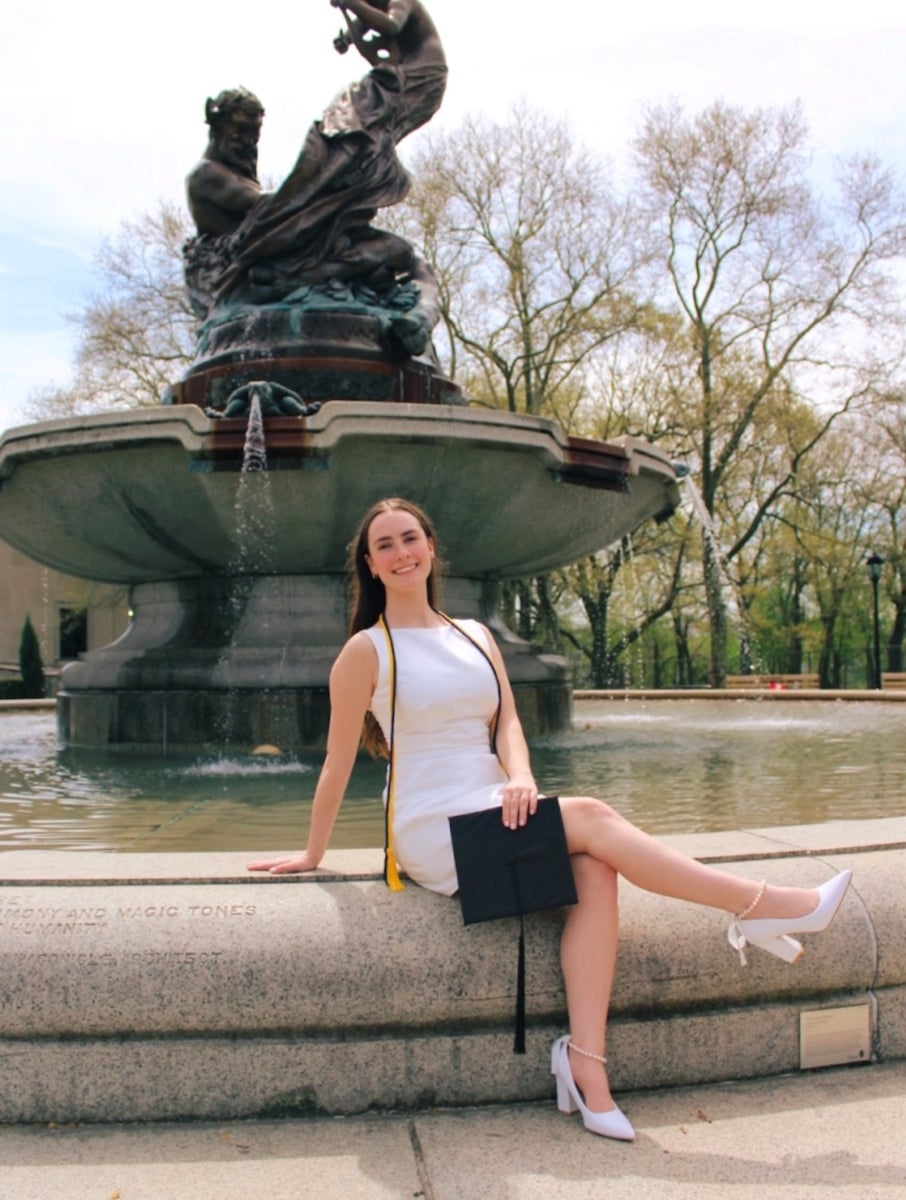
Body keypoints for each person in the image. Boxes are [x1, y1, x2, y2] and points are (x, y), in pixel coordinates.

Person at [249, 497, 853, 1142]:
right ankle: (760, 903)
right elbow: (338, 762)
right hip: (431, 825)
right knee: (591, 815)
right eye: (386, 546)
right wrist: (313, 853)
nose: (402, 554)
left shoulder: (474, 635)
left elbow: (507, 721)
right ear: (369, 565)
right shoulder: (366, 651)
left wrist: (522, 777)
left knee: (595, 869)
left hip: (496, 802)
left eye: (410, 538)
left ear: (430, 546)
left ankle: (587, 1069)